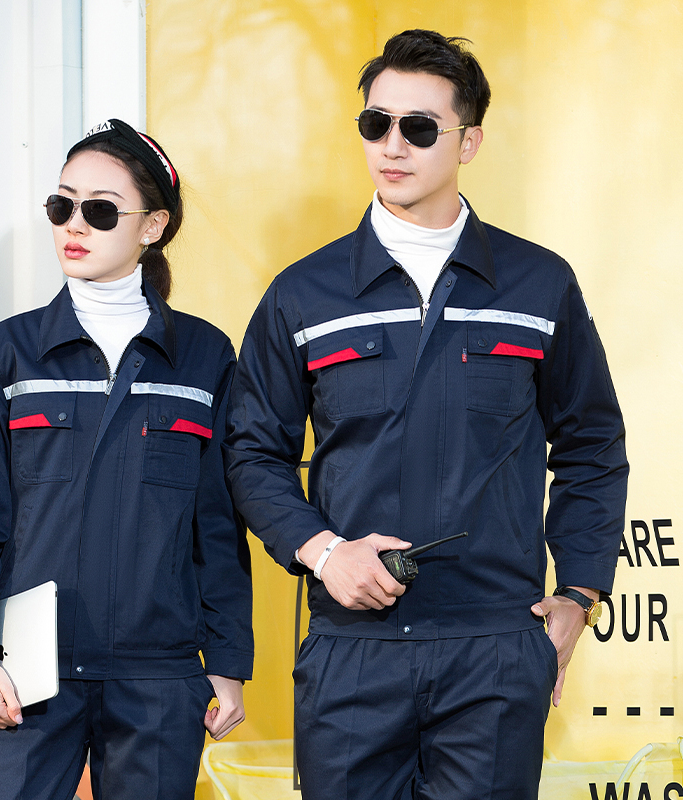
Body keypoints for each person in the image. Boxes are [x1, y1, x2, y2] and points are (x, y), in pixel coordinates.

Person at [225, 29, 627, 800]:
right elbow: (250, 452)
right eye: (375, 123)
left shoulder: (538, 285)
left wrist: (579, 593)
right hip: (352, 651)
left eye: (419, 127)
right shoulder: (303, 295)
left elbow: (592, 446)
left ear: (469, 141)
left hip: (494, 651)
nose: (392, 145)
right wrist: (324, 552)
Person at [0, 118, 253, 800]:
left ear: (152, 226)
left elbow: (217, 525)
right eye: (62, 205)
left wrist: (227, 662)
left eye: (101, 210)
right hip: (25, 671)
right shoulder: (7, 354)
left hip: (159, 674)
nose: (74, 225)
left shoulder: (203, 357)